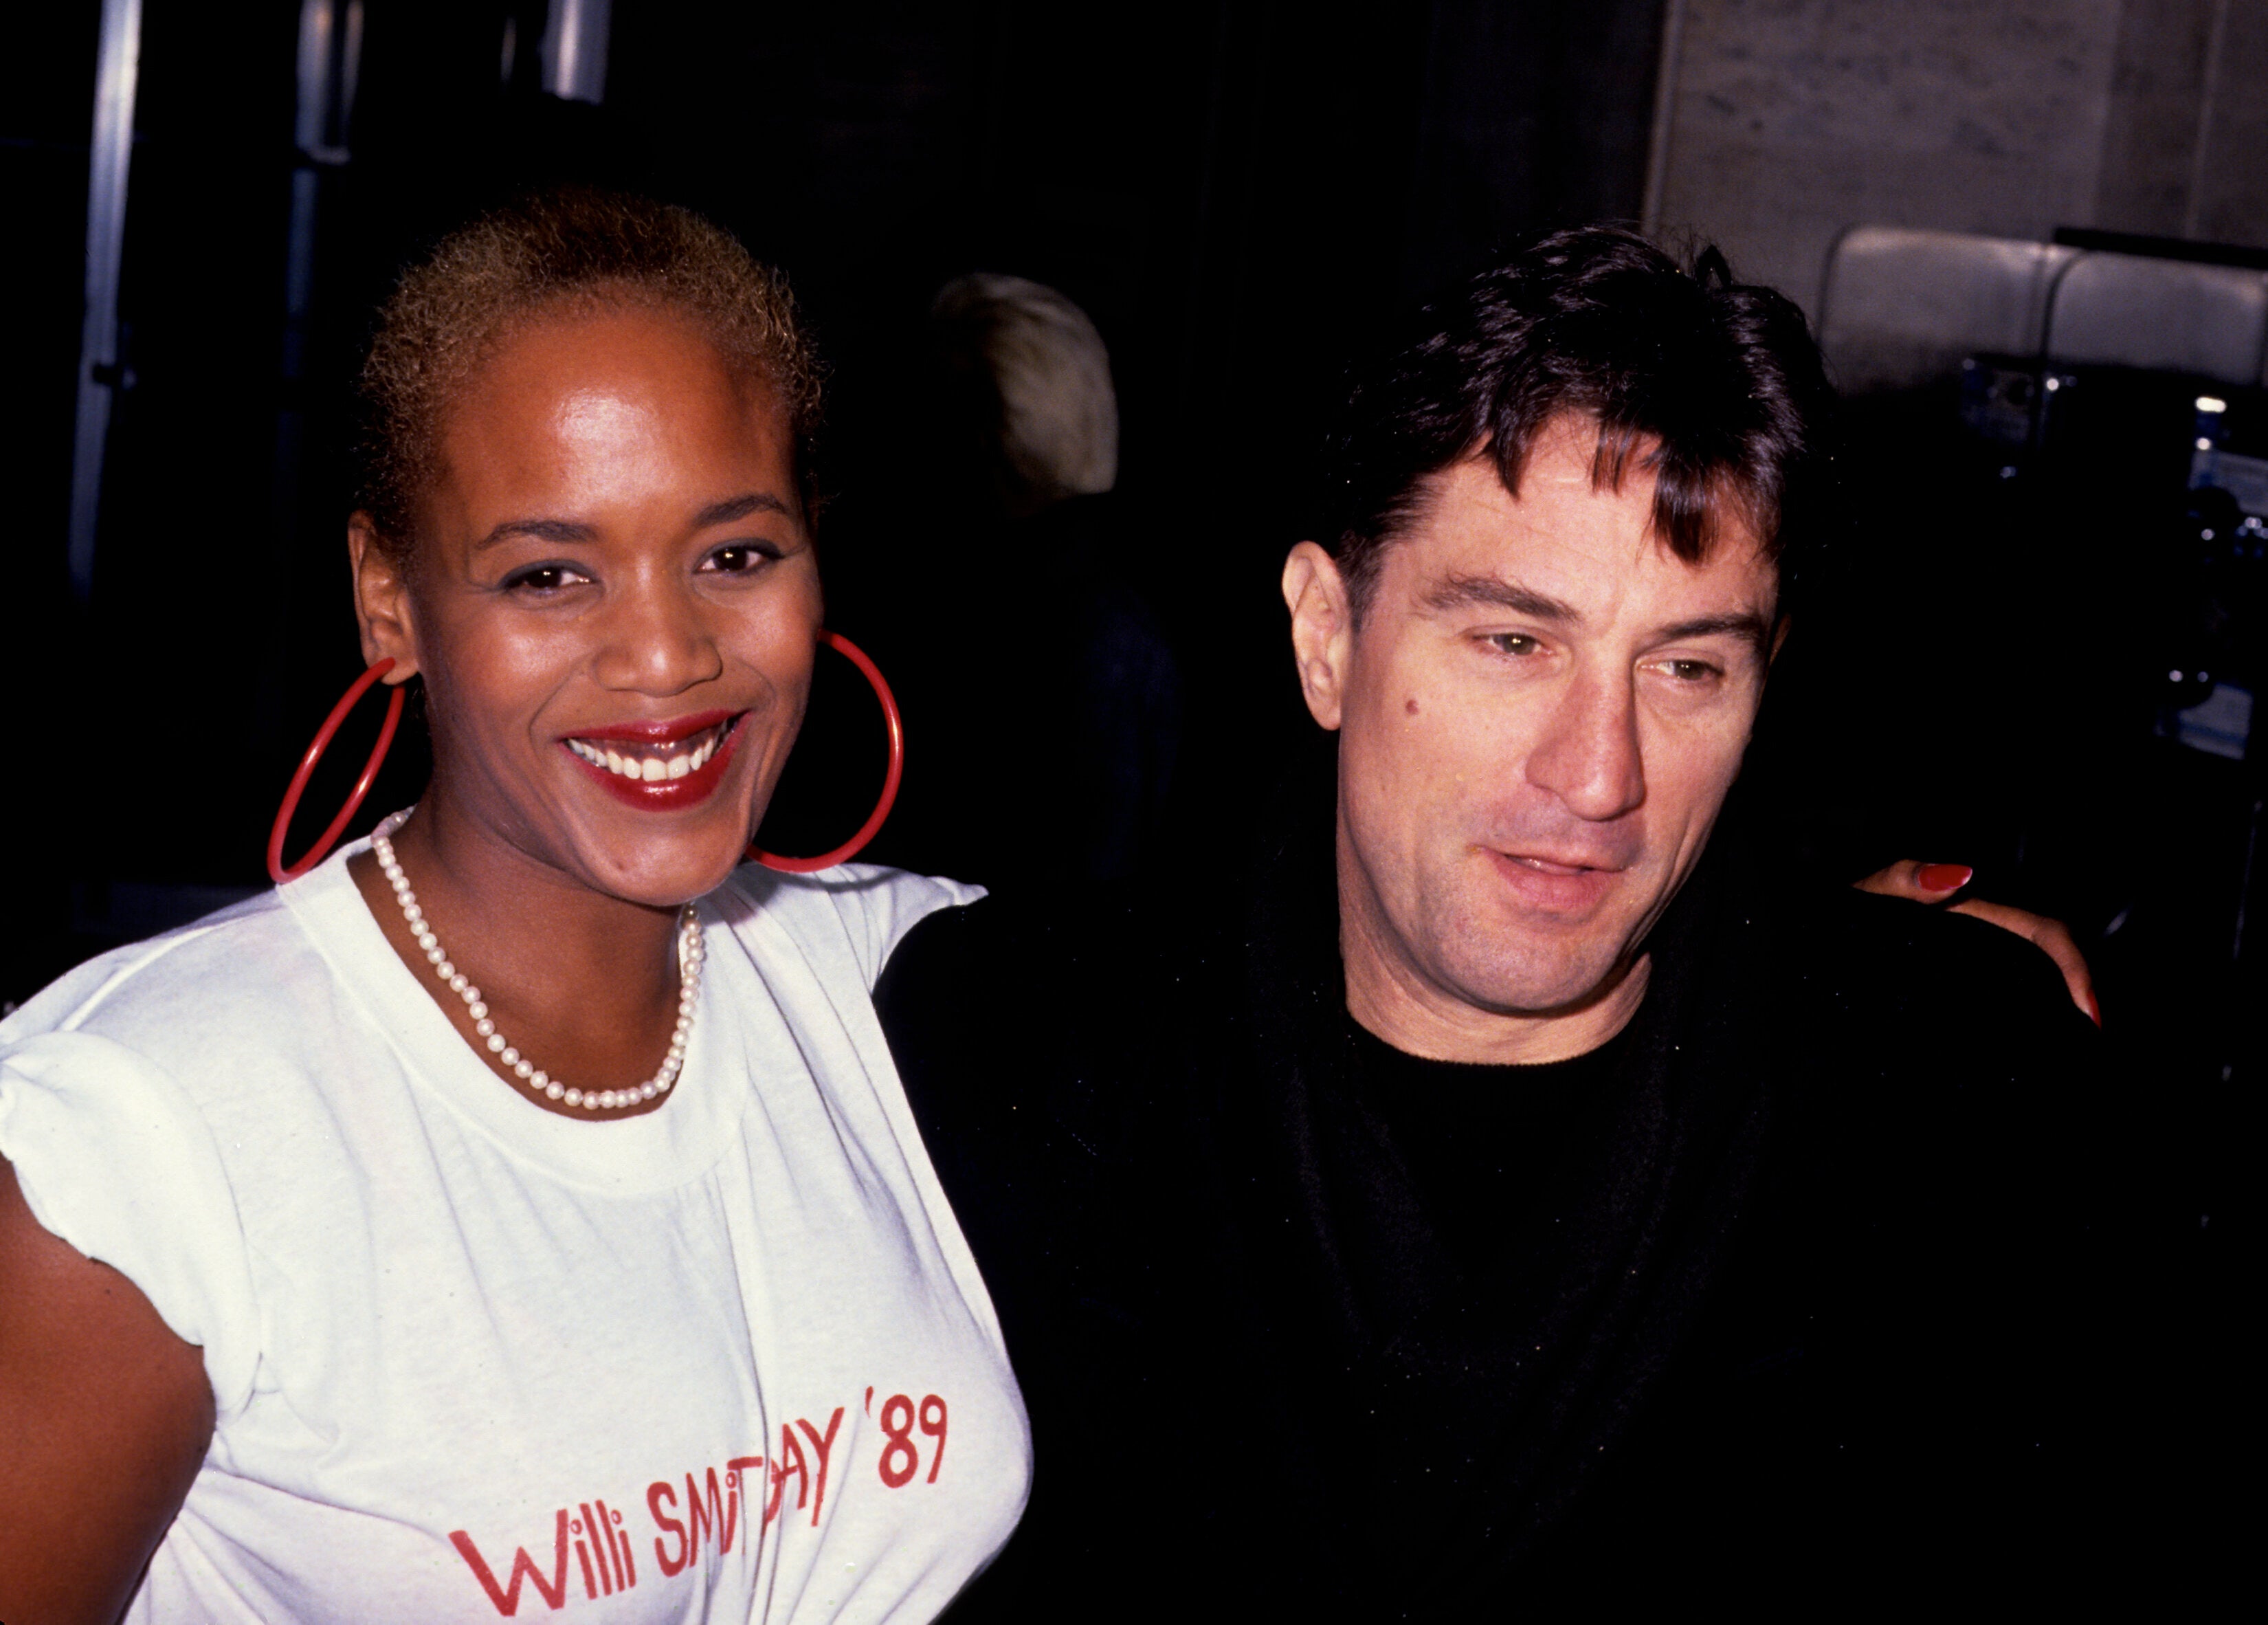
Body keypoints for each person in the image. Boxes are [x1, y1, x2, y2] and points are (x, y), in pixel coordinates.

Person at [876, 229, 2127, 1617]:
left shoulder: (1952, 1098)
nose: (1599, 775)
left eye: (1688, 667)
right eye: (1515, 643)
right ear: (1326, 635)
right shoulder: (1006, 1056)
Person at [0, 192, 1028, 1624]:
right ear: (389, 602)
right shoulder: (140, 1137)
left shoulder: (896, 980)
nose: (666, 655)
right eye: (549, 575)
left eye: (735, 554)